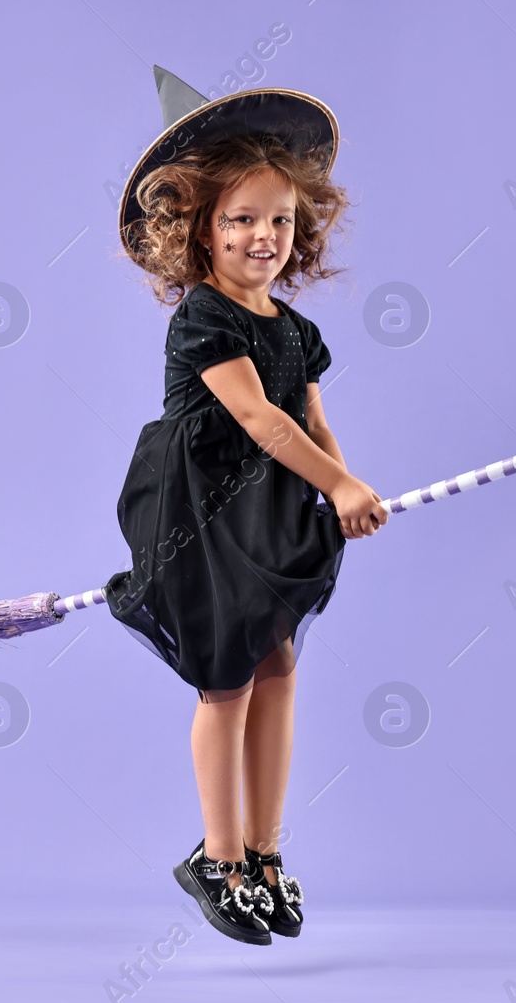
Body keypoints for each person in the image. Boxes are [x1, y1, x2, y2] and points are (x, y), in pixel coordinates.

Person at [103, 68, 388, 946]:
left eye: (279, 219)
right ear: (198, 230)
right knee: (225, 679)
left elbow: (308, 419)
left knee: (280, 670)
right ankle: (218, 857)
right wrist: (330, 481)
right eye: (240, 220)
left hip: (270, 505)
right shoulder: (203, 317)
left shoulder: (294, 329)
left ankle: (266, 851)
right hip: (200, 508)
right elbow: (258, 417)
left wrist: (345, 488)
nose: (263, 236)